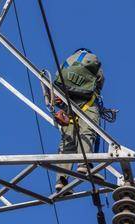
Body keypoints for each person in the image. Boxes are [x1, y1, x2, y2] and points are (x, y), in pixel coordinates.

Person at [53, 48, 105, 193]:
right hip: (87, 105)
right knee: (87, 132)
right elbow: (99, 83)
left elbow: (57, 82)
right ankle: (85, 164)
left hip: (68, 106)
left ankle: (61, 181)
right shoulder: (93, 62)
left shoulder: (67, 63)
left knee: (67, 143)